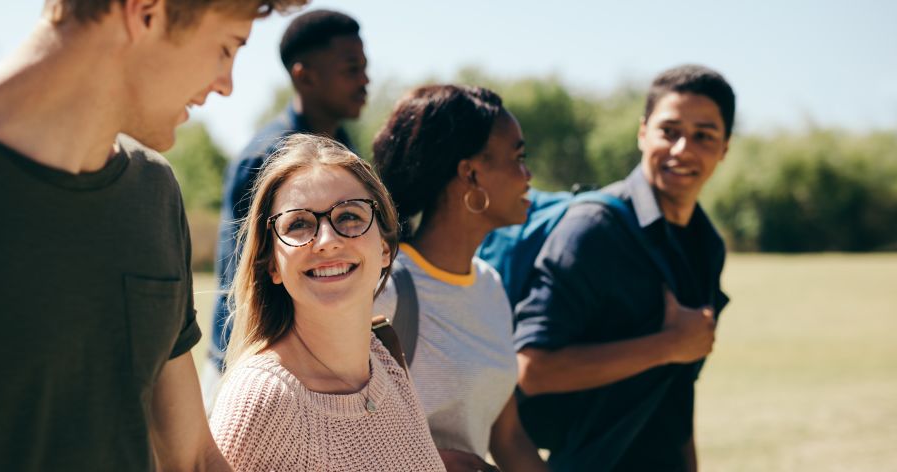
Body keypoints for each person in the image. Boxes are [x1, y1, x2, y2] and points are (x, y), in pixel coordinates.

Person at [0, 0, 304, 470]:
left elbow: (190, 459)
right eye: (226, 48)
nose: (226, 85)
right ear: (145, 13)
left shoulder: (154, 191)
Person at [512, 64, 735, 471]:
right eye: (669, 131)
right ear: (642, 133)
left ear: (724, 149)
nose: (683, 149)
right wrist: (669, 345)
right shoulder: (593, 230)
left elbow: (676, 390)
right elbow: (532, 369)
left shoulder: (707, 243)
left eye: (703, 136)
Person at [208, 134, 444, 471]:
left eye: (349, 216)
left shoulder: (384, 360)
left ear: (385, 248)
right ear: (272, 264)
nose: (327, 241)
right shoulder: (260, 400)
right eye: (299, 224)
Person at [372, 85, 548, 471]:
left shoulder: (490, 285)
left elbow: (508, 436)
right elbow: (331, 430)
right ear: (470, 174)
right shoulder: (383, 289)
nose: (527, 175)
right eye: (518, 158)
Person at [206, 9, 369, 393]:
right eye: (351, 69)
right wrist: (250, 376)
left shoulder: (346, 150)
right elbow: (245, 278)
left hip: (322, 363)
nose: (365, 81)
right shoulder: (264, 158)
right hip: (253, 368)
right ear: (304, 75)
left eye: (365, 68)